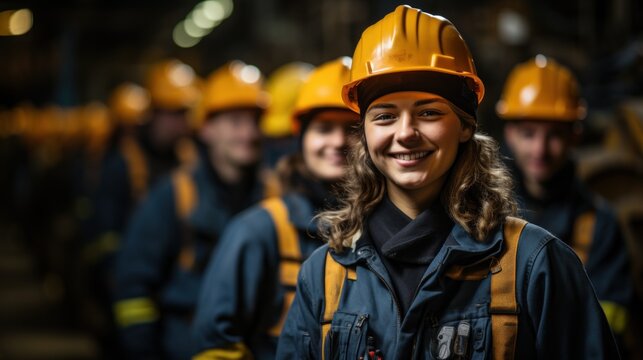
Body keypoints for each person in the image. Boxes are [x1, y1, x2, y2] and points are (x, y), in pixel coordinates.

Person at [277, 5, 619, 359]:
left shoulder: (534, 265)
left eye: (428, 113)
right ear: (364, 133)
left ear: (466, 126)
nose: (405, 133)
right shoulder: (323, 275)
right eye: (385, 116)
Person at [192, 57, 359, 359]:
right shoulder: (257, 230)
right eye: (323, 128)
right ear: (301, 138)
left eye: (351, 128)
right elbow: (216, 344)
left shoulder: (384, 229)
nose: (337, 140)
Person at [113, 60, 272, 359]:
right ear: (207, 129)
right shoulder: (173, 196)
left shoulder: (275, 193)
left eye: (254, 121)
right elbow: (133, 289)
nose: (249, 133)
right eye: (236, 121)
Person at [497, 55, 633, 353]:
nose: (540, 149)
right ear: (510, 134)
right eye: (528, 134)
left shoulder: (599, 224)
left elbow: (611, 322)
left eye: (554, 135)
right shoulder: (488, 214)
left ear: (575, 136)